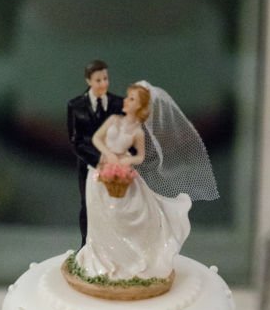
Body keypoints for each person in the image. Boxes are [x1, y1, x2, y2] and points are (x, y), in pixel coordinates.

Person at [74, 82, 219, 283]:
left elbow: (140, 157)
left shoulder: (137, 132)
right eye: (128, 97)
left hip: (122, 170)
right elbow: (97, 140)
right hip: (100, 170)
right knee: (101, 214)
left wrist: (125, 160)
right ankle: (102, 258)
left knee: (132, 212)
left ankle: (129, 257)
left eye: (131, 99)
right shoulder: (114, 120)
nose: (125, 100)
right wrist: (108, 155)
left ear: (140, 106)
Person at [67, 60, 124, 246]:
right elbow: (76, 141)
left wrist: (122, 159)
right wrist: (98, 159)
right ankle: (87, 245)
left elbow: (126, 134)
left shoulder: (118, 103)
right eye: (98, 80)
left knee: (116, 206)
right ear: (88, 81)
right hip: (89, 165)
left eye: (105, 78)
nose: (103, 83)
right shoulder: (75, 106)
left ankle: (115, 245)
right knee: (89, 205)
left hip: (117, 166)